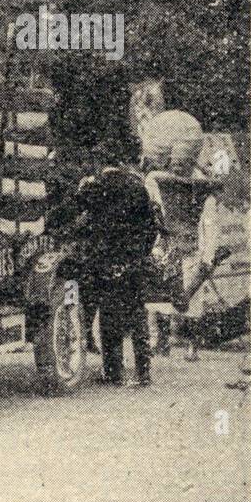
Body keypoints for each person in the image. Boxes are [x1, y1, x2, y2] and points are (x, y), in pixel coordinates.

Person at [70, 150, 164, 386]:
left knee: (110, 316)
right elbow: (152, 226)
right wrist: (140, 252)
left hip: (106, 260)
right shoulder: (137, 186)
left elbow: (71, 215)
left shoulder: (94, 187)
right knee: (137, 315)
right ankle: (144, 372)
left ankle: (114, 372)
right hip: (134, 261)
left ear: (98, 162)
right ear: (120, 161)